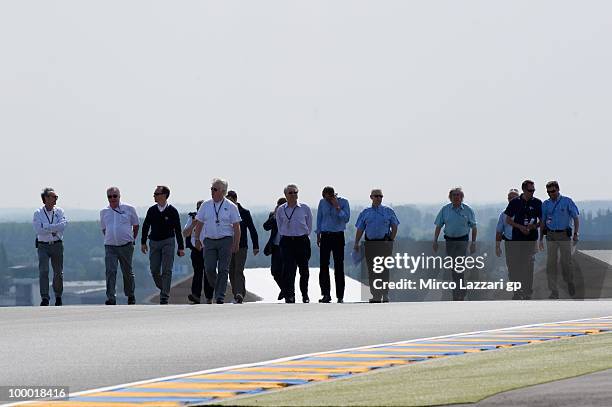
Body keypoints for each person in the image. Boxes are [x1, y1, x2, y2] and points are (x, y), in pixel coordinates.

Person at [193, 179, 241, 304]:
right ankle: (219, 287)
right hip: (209, 240)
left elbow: (236, 227)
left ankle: (220, 296)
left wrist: (236, 243)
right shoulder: (206, 205)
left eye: (215, 189)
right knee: (209, 268)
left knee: (223, 269)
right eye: (211, 189)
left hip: (226, 240)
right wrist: (197, 239)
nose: (212, 192)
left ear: (223, 192)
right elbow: (199, 223)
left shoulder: (231, 206)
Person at [141, 186, 185, 305]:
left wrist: (181, 247)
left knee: (167, 269)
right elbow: (145, 226)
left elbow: (178, 230)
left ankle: (164, 296)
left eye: (156, 193)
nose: (154, 195)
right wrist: (143, 242)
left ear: (164, 195)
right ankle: (164, 287)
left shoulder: (172, 211)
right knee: (154, 269)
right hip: (154, 242)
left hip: (168, 242)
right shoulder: (152, 210)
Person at [353, 189, 399, 303]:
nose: (378, 198)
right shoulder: (365, 212)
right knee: (372, 270)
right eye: (376, 196)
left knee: (384, 269)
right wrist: (356, 243)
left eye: (380, 196)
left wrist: (391, 239)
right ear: (371, 197)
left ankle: (385, 294)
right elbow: (360, 229)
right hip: (370, 244)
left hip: (384, 243)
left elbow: (395, 226)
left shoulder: (388, 211)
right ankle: (376, 295)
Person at [433, 187, 478, 301]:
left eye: (458, 195)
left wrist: (473, 243)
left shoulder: (468, 210)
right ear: (450, 197)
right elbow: (438, 225)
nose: (456, 197)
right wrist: (435, 241)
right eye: (454, 195)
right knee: (454, 267)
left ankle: (458, 292)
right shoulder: (445, 210)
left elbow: (474, 227)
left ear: (461, 197)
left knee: (459, 266)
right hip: (450, 241)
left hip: (462, 240)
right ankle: (460, 290)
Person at [539, 181, 580, 299]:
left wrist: (576, 233)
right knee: (551, 263)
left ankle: (569, 281)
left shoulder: (567, 201)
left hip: (564, 235)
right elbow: (543, 221)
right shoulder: (545, 204)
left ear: (558, 189)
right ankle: (553, 290)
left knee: (566, 262)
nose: (550, 194)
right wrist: (540, 238)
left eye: (552, 191)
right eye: (548, 192)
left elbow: (575, 217)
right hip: (551, 235)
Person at [100, 187, 139, 305]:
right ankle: (111, 297)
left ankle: (130, 295)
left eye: (114, 196)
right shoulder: (104, 212)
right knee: (110, 271)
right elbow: (104, 228)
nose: (112, 199)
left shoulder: (129, 209)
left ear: (119, 196)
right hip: (110, 246)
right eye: (110, 196)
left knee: (127, 271)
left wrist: (132, 239)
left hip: (126, 245)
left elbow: (136, 225)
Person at [504, 180, 542, 300]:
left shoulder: (537, 202)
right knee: (516, 266)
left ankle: (527, 292)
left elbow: (542, 221)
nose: (532, 192)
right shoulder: (515, 202)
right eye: (530, 190)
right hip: (517, 239)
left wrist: (533, 226)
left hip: (530, 239)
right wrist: (520, 227)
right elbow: (508, 220)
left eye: (533, 190)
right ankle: (517, 291)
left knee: (528, 266)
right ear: (524, 190)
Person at [276, 184, 313, 303]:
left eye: (295, 192)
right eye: (290, 193)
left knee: (304, 270)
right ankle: (290, 295)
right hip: (287, 241)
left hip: (302, 241)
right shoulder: (281, 209)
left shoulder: (305, 208)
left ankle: (305, 295)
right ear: (285, 195)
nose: (293, 195)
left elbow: (309, 225)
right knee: (289, 270)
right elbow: (279, 226)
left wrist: (304, 235)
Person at [33, 187, 67, 306]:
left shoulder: (59, 211)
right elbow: (38, 229)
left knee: (58, 272)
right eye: (53, 197)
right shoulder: (38, 213)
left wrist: (47, 226)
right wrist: (53, 228)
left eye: (56, 197)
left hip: (57, 245)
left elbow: (63, 225)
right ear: (46, 198)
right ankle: (45, 298)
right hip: (43, 245)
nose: (56, 199)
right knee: (44, 271)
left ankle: (58, 296)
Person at [316, 186, 350, 303]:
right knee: (324, 265)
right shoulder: (322, 203)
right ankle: (326, 294)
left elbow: (346, 218)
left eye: (329, 197)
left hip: (338, 236)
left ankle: (340, 295)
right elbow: (319, 219)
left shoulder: (344, 202)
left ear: (333, 195)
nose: (327, 199)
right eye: (325, 197)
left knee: (339, 266)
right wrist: (318, 235)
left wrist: (337, 207)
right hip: (325, 236)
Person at [226, 190, 260, 304]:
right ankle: (236, 293)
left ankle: (240, 293)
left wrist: (256, 246)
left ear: (235, 200)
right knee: (231, 270)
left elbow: (252, 229)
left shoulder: (244, 212)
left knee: (238, 270)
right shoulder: (224, 212)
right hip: (227, 246)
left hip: (242, 246)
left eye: (231, 200)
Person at [183, 200, 214, 304]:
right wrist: (192, 225)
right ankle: (196, 295)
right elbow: (185, 233)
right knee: (197, 273)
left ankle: (209, 296)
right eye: (198, 208)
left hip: (209, 249)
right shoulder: (192, 218)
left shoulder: (211, 217)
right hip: (196, 250)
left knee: (208, 273)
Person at [495, 189, 520, 289]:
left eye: (513, 198)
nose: (511, 200)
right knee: (512, 267)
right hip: (510, 243)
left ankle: (525, 290)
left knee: (524, 266)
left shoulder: (525, 211)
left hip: (524, 244)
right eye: (509, 198)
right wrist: (497, 246)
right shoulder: (503, 214)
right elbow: (499, 231)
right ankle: (516, 290)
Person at [263, 197, 287, 298]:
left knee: (287, 271)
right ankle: (285, 289)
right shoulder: (273, 215)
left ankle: (289, 292)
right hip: (276, 247)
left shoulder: (290, 214)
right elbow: (266, 226)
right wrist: (275, 216)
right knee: (275, 271)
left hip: (287, 246)